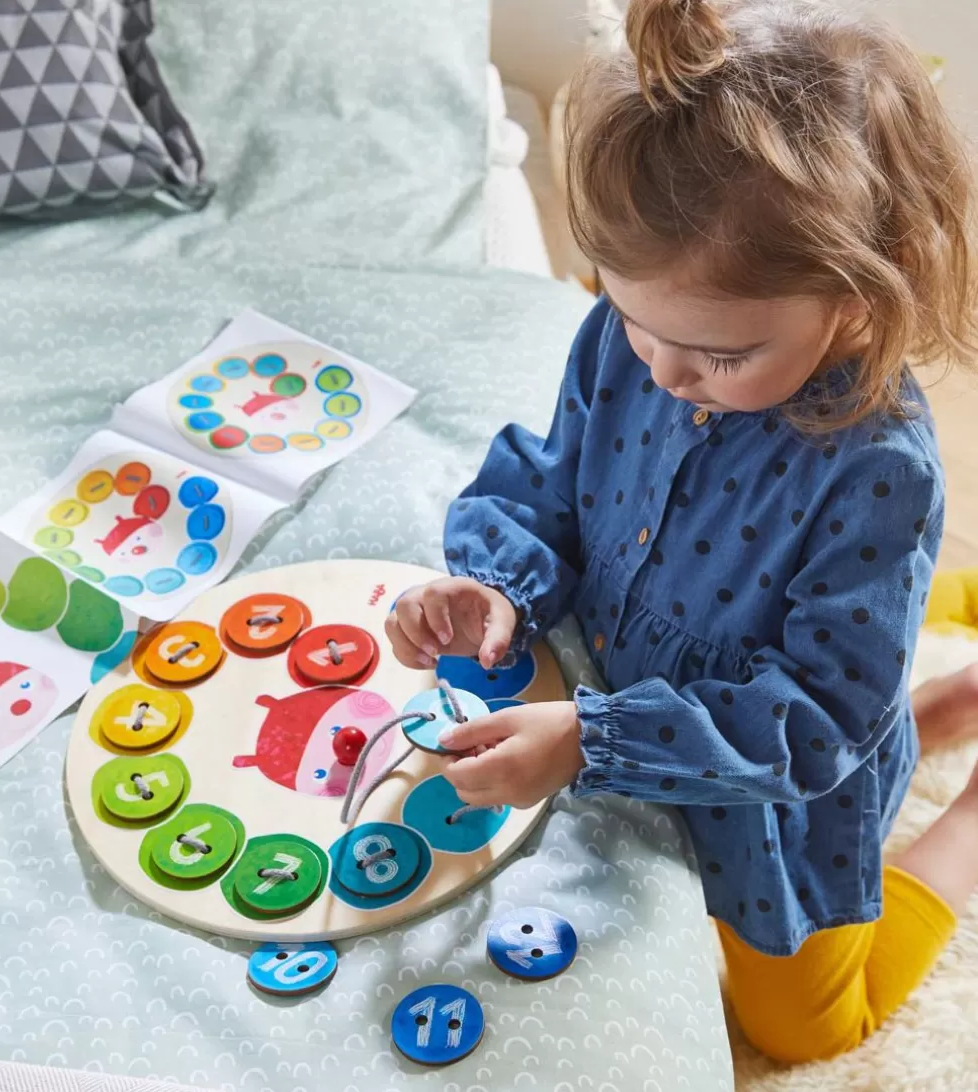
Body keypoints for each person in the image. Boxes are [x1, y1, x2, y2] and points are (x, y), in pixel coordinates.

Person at [384, 0, 978, 1065]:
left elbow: (818, 720)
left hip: (782, 810)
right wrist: (498, 588)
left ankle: (967, 809)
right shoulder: (640, 335)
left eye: (719, 354)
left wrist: (590, 739)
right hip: (643, 708)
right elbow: (552, 477)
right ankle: (934, 708)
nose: (661, 372)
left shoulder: (879, 470)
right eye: (633, 321)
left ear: (856, 298)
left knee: (800, 1030)